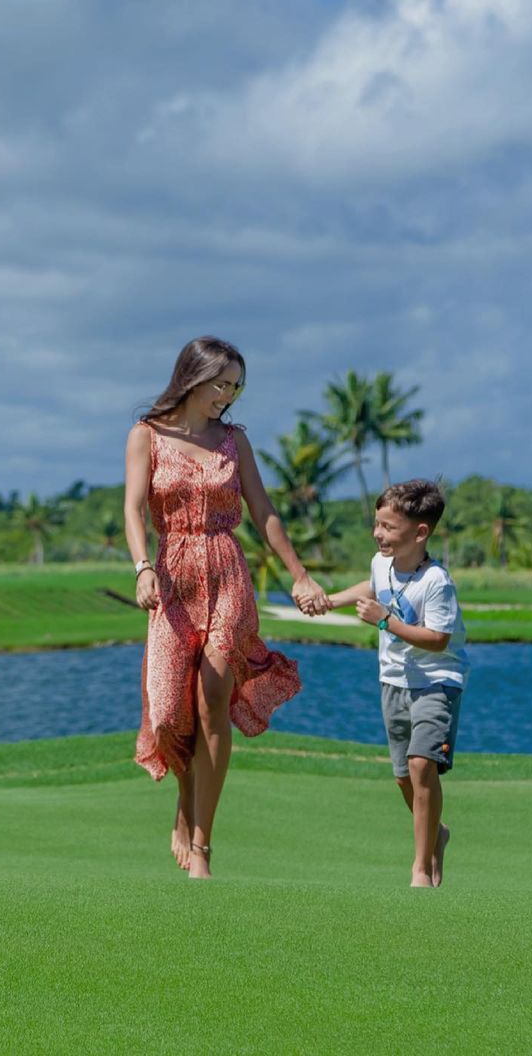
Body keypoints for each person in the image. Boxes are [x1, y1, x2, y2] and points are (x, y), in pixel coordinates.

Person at [124, 337, 329, 879]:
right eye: (221, 384)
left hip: (226, 573)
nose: (228, 395)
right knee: (170, 712)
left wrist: (300, 575)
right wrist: (142, 567)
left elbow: (264, 513)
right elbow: (133, 510)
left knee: (213, 698)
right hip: (172, 576)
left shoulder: (235, 442)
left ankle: (202, 845)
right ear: (192, 378)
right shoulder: (147, 434)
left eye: (236, 386)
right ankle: (184, 802)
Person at [325, 480, 469, 888]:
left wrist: (385, 621)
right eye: (377, 524)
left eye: (388, 527)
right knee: (404, 775)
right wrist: (330, 601)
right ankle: (437, 833)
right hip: (392, 679)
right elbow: (372, 586)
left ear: (420, 533)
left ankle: (421, 868)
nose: (378, 533)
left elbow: (438, 639)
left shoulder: (437, 581)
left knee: (423, 764)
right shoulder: (381, 563)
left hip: (437, 681)